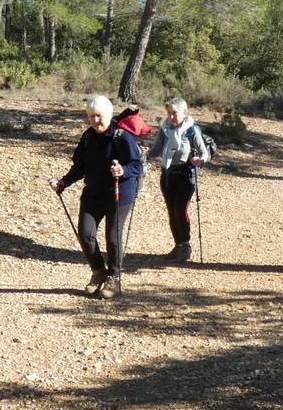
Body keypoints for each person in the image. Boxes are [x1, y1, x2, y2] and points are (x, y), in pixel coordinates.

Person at [51, 95, 143, 299]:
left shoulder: (122, 136)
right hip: (93, 193)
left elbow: (136, 165)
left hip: (119, 193)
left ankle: (114, 278)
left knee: (112, 237)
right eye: (91, 116)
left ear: (109, 115)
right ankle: (99, 271)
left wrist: (122, 170)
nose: (95, 121)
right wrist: (63, 182)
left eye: (99, 116)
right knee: (85, 233)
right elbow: (79, 167)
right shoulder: (88, 137)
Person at [146, 97, 208, 262]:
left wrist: (200, 161)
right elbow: (157, 150)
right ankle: (178, 245)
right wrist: (143, 153)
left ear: (183, 112)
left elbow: (203, 153)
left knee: (180, 210)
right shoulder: (165, 129)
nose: (171, 117)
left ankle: (185, 245)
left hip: (185, 175)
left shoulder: (192, 130)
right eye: (168, 113)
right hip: (167, 175)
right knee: (172, 211)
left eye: (174, 113)